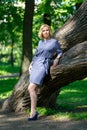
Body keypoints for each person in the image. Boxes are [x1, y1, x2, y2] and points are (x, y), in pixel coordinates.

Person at [28, 24, 63, 121]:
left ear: (49, 31)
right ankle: (33, 111)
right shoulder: (40, 42)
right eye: (44, 30)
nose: (46, 32)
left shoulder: (54, 42)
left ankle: (33, 112)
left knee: (31, 88)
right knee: (32, 89)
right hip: (36, 64)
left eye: (47, 30)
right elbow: (36, 55)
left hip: (43, 64)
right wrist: (31, 64)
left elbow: (60, 52)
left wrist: (57, 59)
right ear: (41, 33)